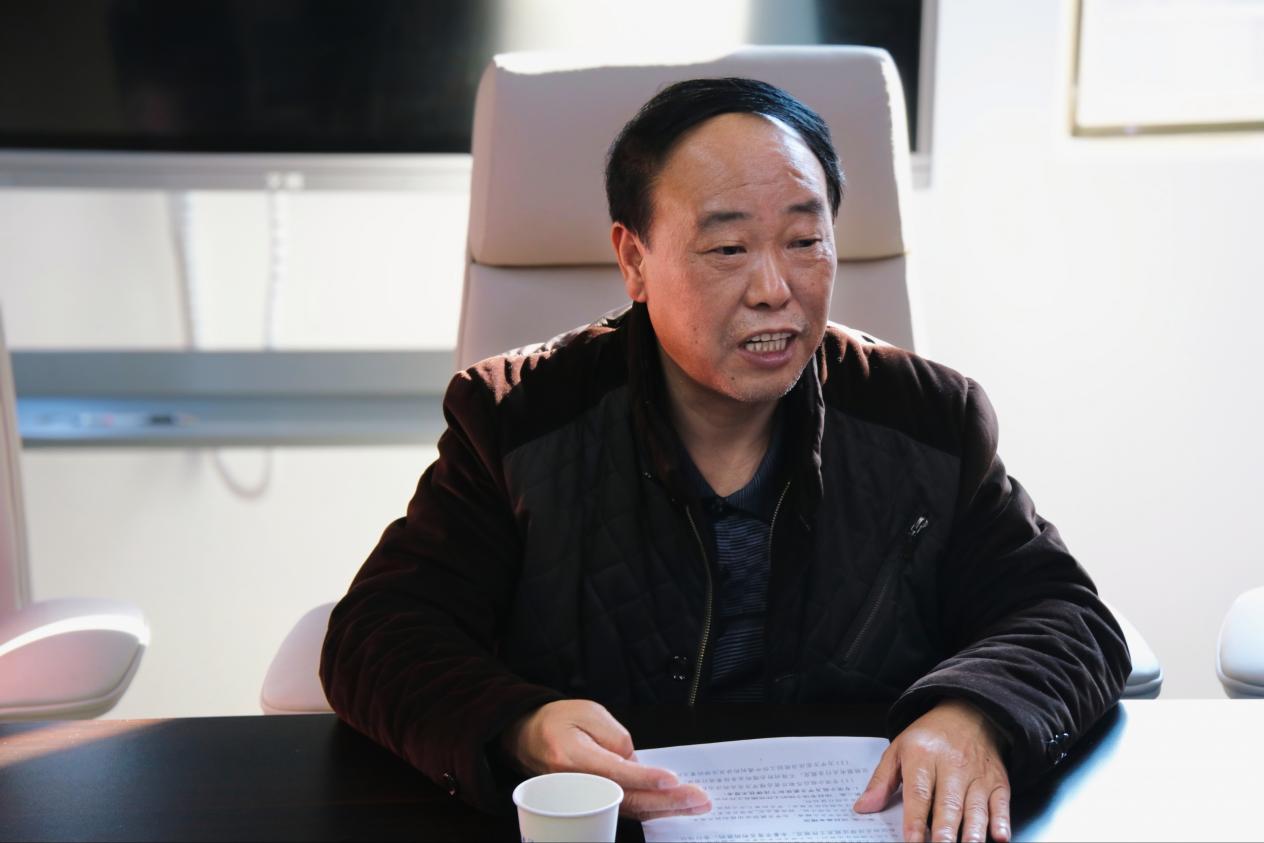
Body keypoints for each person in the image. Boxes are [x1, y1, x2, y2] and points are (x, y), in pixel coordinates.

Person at [321, 77, 1129, 843]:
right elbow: (377, 635)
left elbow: (1067, 616)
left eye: (805, 240)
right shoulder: (517, 420)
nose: (775, 287)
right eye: (729, 247)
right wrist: (521, 725)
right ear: (634, 260)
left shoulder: (928, 419)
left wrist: (975, 710)